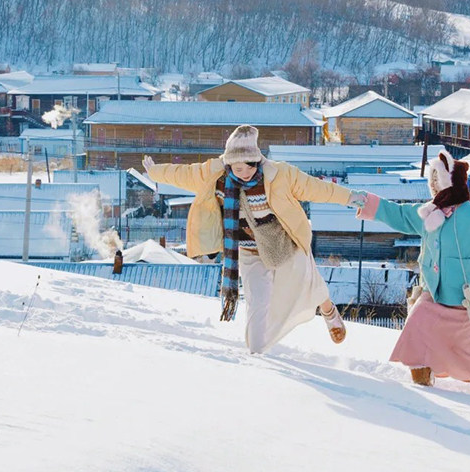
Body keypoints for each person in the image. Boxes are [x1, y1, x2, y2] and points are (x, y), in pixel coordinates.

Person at [143, 124, 364, 354]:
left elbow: (317, 188)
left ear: (256, 160)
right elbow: (184, 174)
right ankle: (256, 358)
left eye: (248, 167)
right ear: (228, 164)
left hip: (284, 242)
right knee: (257, 304)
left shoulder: (279, 175)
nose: (244, 173)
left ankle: (328, 311)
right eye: (237, 169)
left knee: (307, 278)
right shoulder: (215, 174)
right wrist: (155, 172)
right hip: (248, 251)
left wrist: (350, 197)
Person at [354, 150, 470, 398]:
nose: (433, 187)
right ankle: (421, 373)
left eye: (437, 180)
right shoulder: (429, 213)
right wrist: (368, 203)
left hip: (465, 299)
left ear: (449, 182)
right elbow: (399, 214)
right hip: (434, 291)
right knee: (417, 323)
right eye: (430, 181)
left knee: (463, 349)